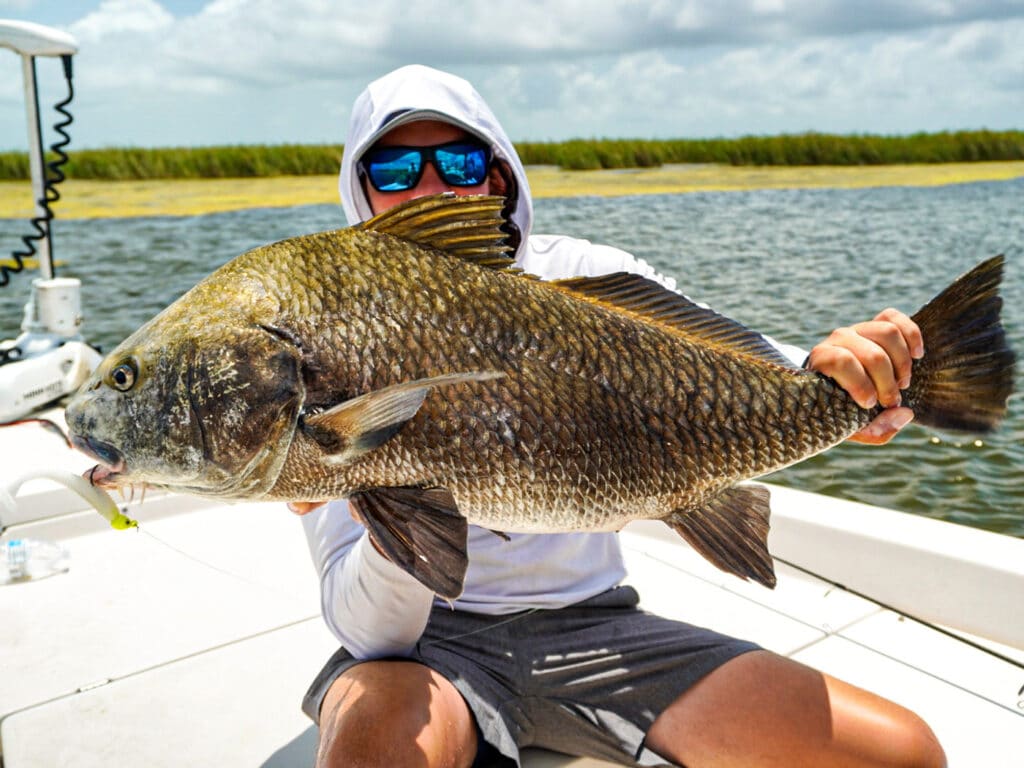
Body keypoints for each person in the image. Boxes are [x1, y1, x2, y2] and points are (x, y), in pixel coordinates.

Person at [292, 65, 944, 768]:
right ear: (360, 194)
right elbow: (369, 634)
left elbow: (723, 355)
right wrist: (395, 516)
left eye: (458, 159)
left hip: (600, 627)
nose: (432, 186)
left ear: (498, 177)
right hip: (424, 653)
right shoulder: (330, 330)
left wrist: (845, 373)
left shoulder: (581, 270)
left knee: (902, 754)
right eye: (393, 170)